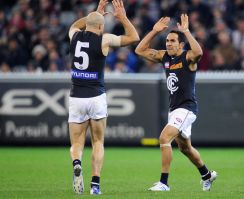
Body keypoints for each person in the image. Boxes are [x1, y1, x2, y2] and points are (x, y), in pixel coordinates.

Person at [135, 14, 217, 191]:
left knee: (164, 138)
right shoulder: (164, 57)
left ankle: (164, 183)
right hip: (175, 109)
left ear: (181, 44)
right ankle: (207, 175)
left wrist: (186, 31)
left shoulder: (188, 57)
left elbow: (199, 52)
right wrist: (154, 31)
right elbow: (139, 50)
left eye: (173, 41)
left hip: (187, 108)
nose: (169, 44)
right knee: (185, 148)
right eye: (167, 41)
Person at [68, 0, 139, 195]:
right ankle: (95, 185)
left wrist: (95, 13)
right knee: (98, 142)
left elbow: (75, 25)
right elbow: (134, 37)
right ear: (100, 26)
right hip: (96, 96)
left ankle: (76, 162)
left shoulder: (74, 36)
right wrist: (122, 17)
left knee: (76, 143)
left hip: (76, 96)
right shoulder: (104, 39)